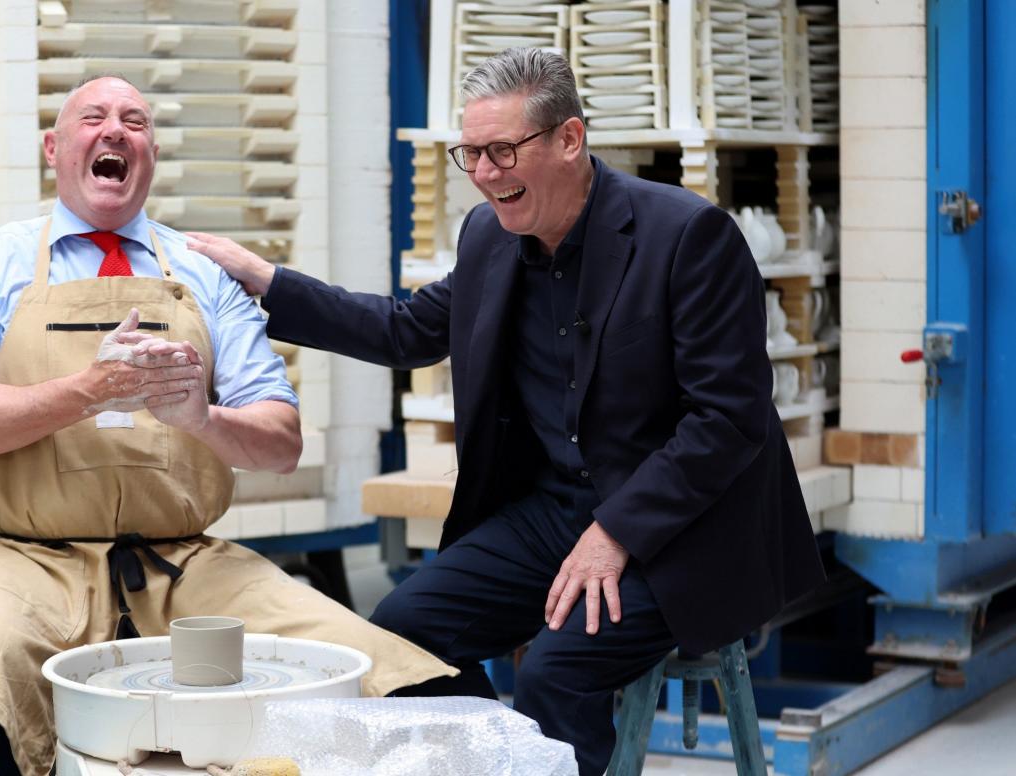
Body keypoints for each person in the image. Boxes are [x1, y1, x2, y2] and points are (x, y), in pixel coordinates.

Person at [186, 48, 826, 775]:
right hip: (551, 510)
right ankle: (501, 760)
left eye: (500, 151)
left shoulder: (686, 236)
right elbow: (406, 330)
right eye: (471, 154)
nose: (483, 174)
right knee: (400, 637)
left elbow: (728, 420)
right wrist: (266, 282)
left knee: (554, 673)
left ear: (569, 140)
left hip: (678, 529)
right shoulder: (490, 237)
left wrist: (614, 532)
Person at [0, 75, 454, 776]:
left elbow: (279, 442)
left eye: (134, 121)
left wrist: (203, 417)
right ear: (53, 147)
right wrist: (85, 390)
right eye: (92, 117)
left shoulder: (200, 271)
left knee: (379, 669)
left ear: (151, 153)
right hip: (26, 557)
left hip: (184, 561)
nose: (114, 131)